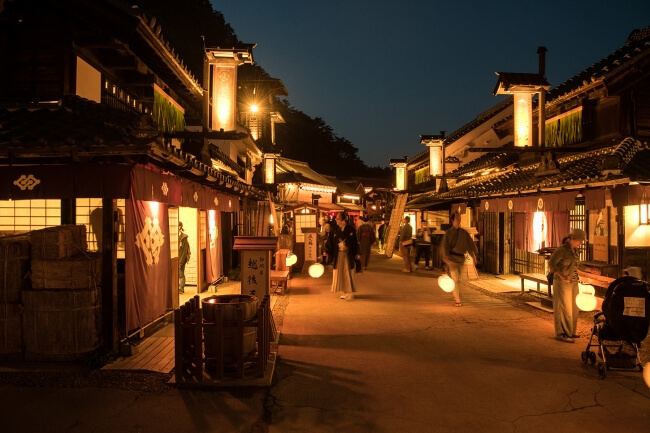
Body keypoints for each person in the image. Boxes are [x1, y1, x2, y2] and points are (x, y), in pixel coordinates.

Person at [548, 228, 586, 343]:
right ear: (572, 239)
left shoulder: (575, 251)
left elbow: (576, 265)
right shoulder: (562, 250)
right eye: (579, 241)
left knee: (573, 307)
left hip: (573, 281)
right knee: (563, 307)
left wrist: (589, 269)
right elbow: (551, 264)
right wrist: (561, 275)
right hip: (562, 281)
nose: (580, 243)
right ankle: (562, 333)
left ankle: (571, 331)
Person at [441, 212, 478, 307]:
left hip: (461, 258)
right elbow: (445, 245)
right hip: (452, 259)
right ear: (452, 220)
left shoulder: (464, 233)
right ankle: (457, 299)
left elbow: (469, 245)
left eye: (459, 218)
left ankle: (455, 293)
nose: (459, 220)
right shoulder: (448, 233)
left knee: (459, 279)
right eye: (457, 218)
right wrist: (445, 256)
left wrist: (473, 256)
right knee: (456, 279)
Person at [325, 212, 361, 300]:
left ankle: (349, 292)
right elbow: (330, 241)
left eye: (338, 219)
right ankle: (343, 291)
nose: (336, 220)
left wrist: (357, 253)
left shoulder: (350, 229)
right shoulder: (334, 229)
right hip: (338, 254)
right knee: (339, 273)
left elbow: (355, 242)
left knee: (348, 272)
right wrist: (327, 250)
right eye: (336, 219)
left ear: (343, 220)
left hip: (348, 254)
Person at [178, 222, 191, 294]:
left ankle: (181, 288)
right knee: (178, 274)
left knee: (180, 274)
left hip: (181, 259)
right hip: (175, 259)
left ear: (180, 227)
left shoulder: (184, 237)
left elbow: (184, 251)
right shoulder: (174, 236)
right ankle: (179, 288)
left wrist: (181, 262)